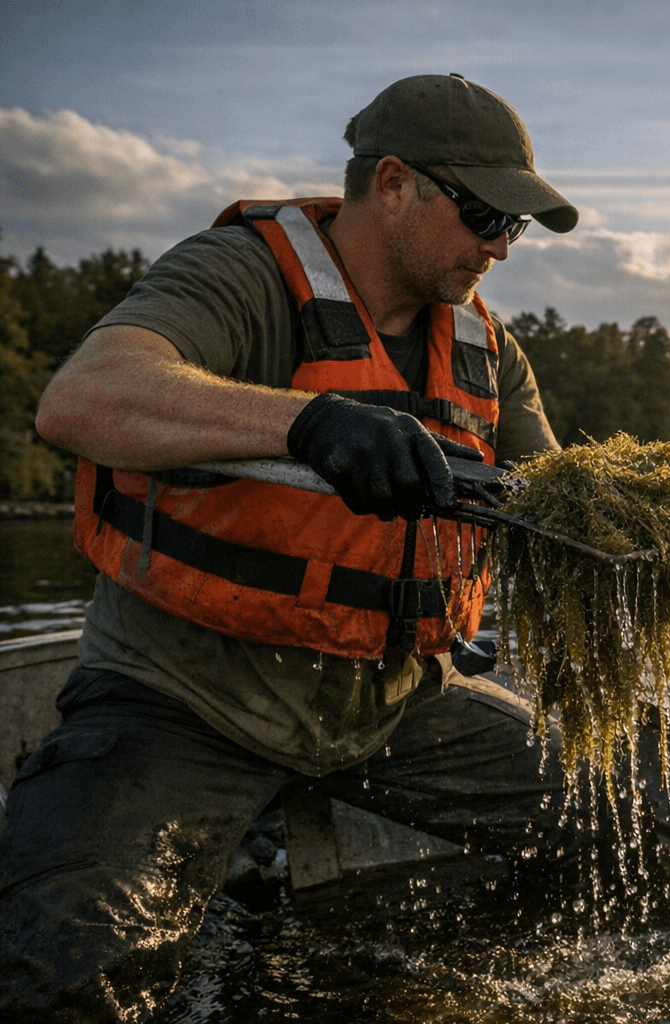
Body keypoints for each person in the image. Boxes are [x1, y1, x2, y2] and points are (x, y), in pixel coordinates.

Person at [0, 75, 592, 1022]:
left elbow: (553, 505)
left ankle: (404, 989)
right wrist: (307, 424)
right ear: (393, 183)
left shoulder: (489, 347)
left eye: (514, 228)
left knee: (601, 816)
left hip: (392, 705)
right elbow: (82, 398)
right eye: (484, 213)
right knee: (69, 976)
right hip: (185, 699)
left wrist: (633, 523)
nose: (498, 246)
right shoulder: (239, 275)